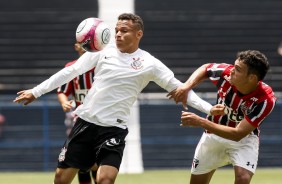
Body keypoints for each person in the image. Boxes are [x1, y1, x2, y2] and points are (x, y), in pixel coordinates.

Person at [13, 13, 222, 184]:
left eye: (124, 31)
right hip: (85, 123)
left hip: (114, 129)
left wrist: (209, 109)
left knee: (105, 180)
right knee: (61, 180)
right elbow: (70, 72)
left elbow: (181, 89)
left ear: (139, 34)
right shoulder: (103, 51)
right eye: (116, 31)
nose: (118, 34)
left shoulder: (150, 63)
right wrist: (36, 91)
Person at [168, 50, 277, 184]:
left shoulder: (265, 100)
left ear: (252, 78)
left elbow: (238, 134)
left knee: (243, 178)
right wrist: (186, 86)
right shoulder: (226, 74)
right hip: (212, 136)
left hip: (243, 141)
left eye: (237, 69)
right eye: (233, 66)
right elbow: (206, 68)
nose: (231, 71)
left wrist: (201, 121)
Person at [57, 42, 97, 184]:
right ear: (76, 46)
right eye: (82, 42)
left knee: (96, 163)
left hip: (100, 119)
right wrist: (64, 102)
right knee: (81, 163)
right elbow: (62, 90)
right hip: (79, 120)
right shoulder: (71, 67)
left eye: (88, 41)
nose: (85, 45)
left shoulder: (100, 66)